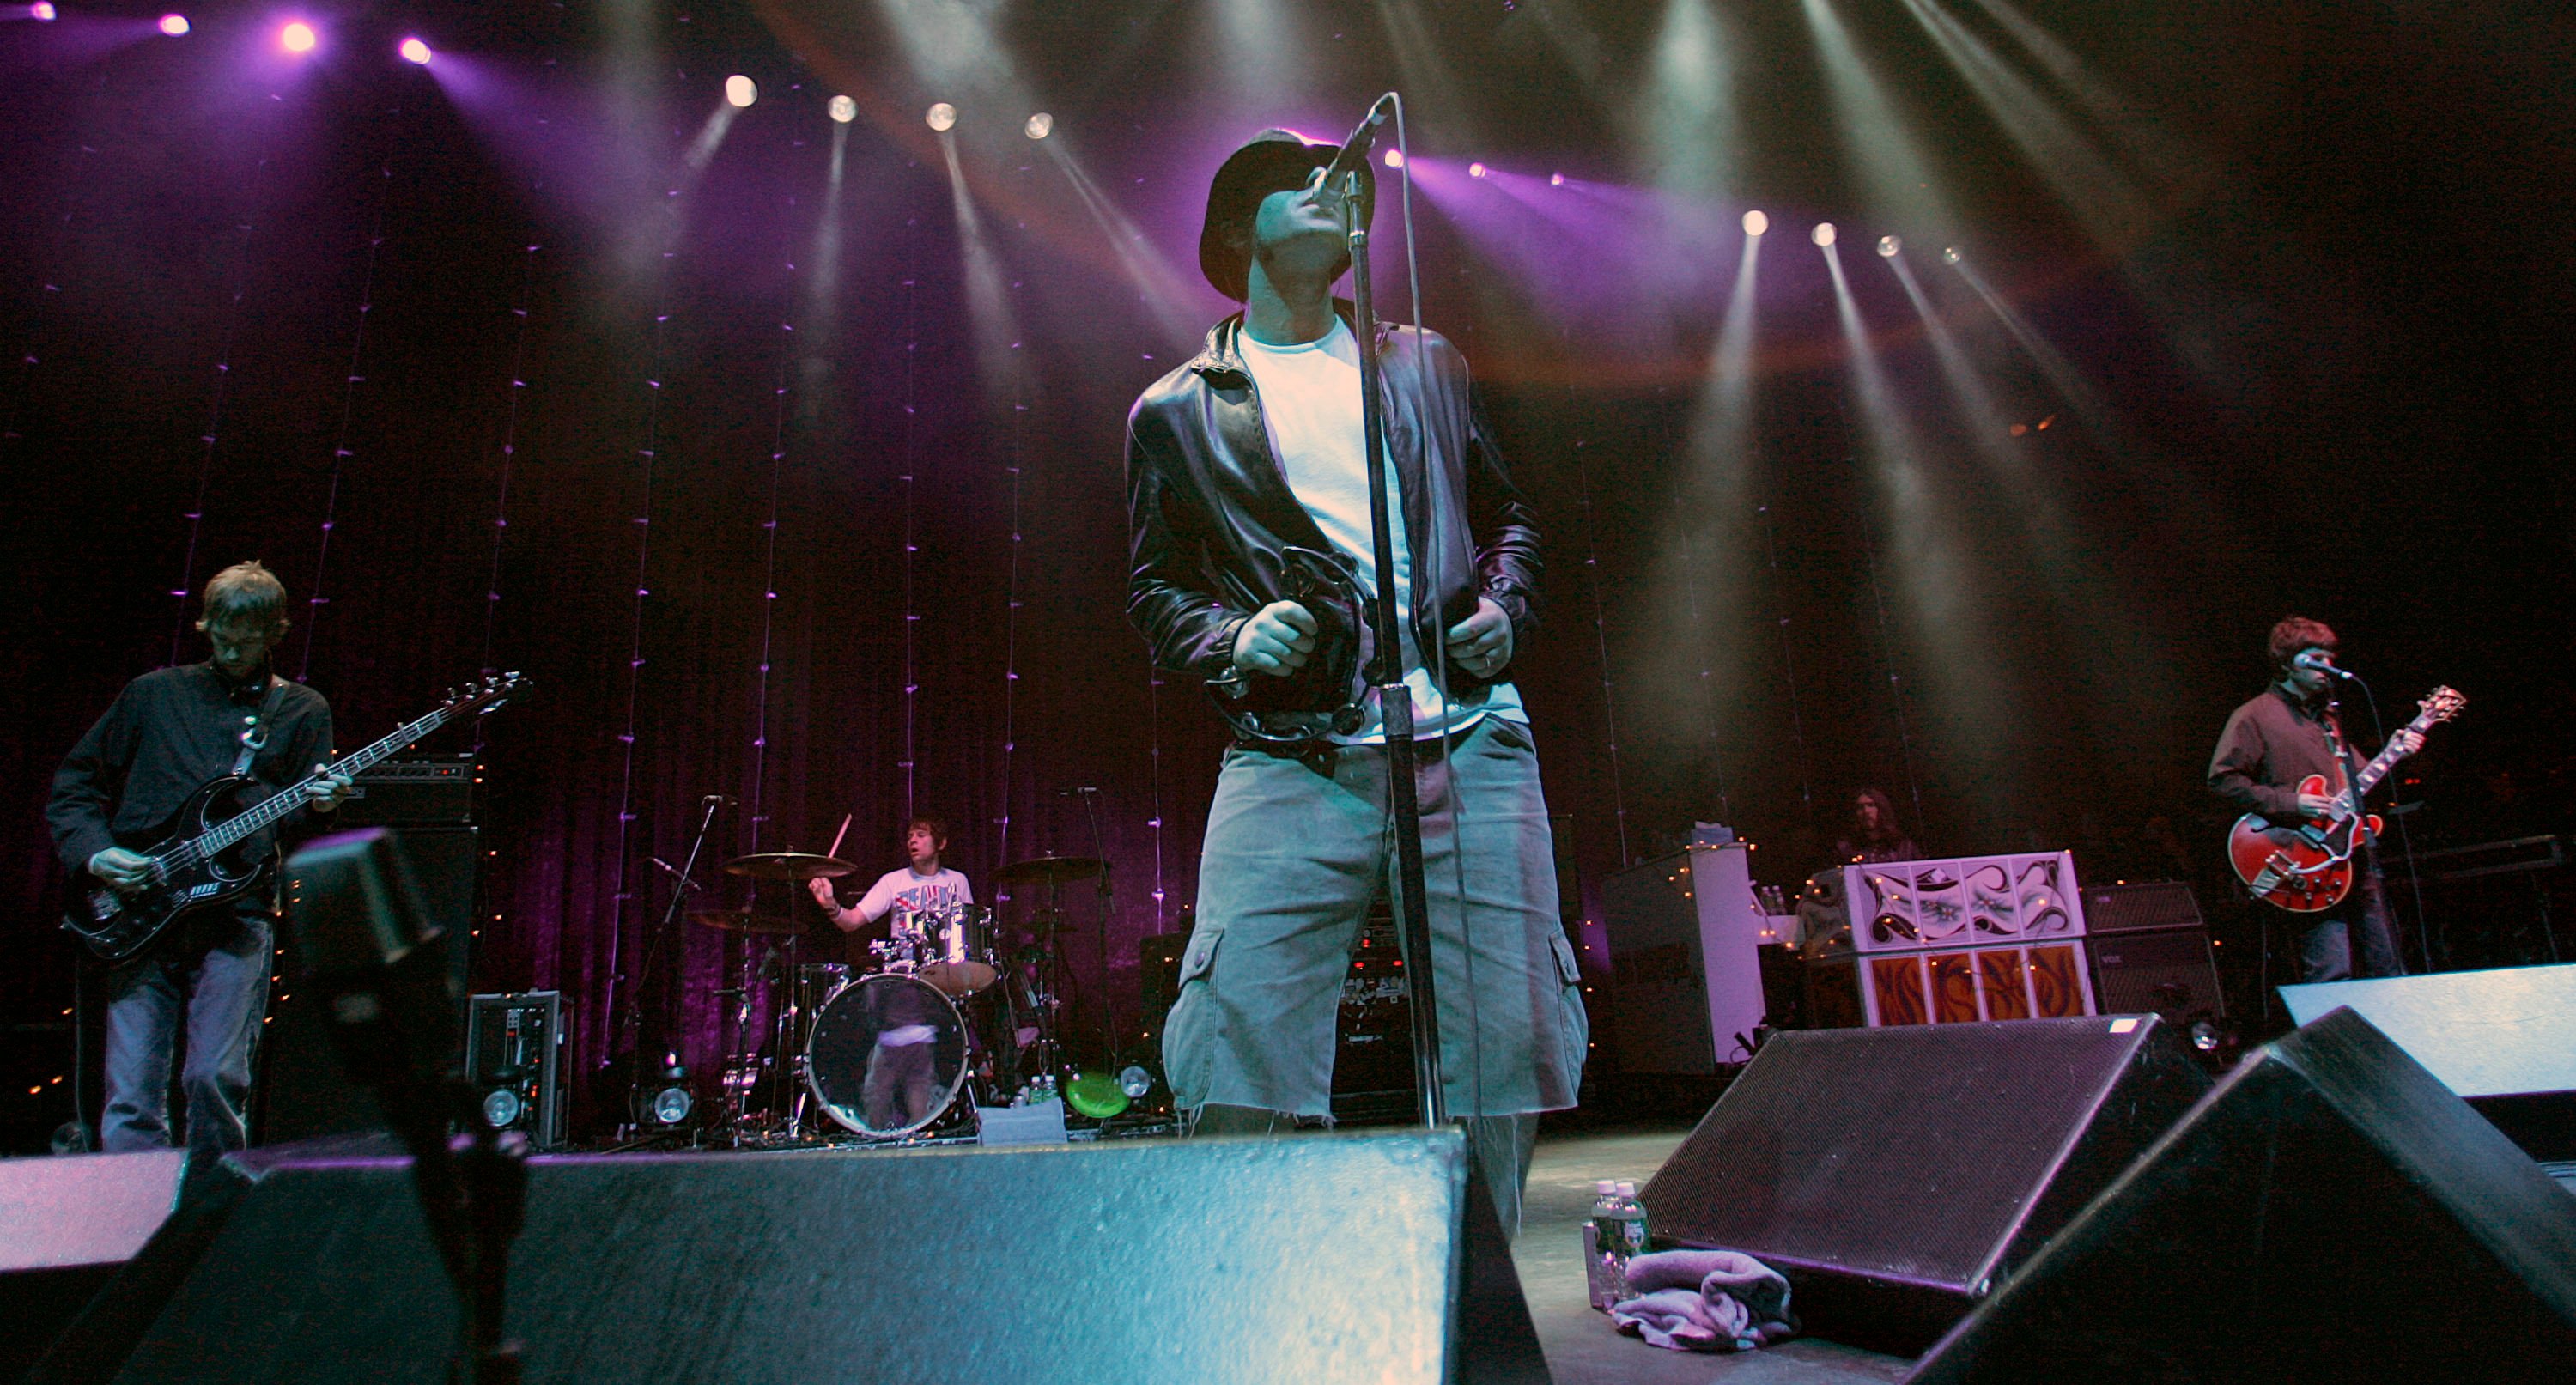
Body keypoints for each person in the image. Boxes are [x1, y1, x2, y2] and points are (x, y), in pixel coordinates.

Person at [1123, 127, 1586, 1236]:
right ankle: (1254, 1299)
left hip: (1467, 737)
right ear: (1239, 234)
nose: (1334, 192)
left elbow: (1511, 517)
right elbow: (1156, 588)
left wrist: (1498, 610)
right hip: (1293, 752)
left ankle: (1470, 1304)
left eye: (1344, 183)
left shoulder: (1428, 361)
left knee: (1504, 1031)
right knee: (1242, 1037)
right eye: (1300, 185)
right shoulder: (1179, 409)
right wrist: (1232, 641)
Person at [47, 561, 354, 1157]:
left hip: (235, 914)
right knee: (131, 1094)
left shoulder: (301, 709)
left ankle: (214, 1218)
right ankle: (132, 1229)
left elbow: (297, 822)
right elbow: (75, 785)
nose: (234, 650)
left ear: (276, 633)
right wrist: (96, 853)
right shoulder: (152, 694)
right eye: (222, 636)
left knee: (213, 1078)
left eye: (248, 639)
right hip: (138, 911)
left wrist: (321, 806)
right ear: (206, 624)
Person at [2208, 616, 2421, 982]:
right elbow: (2223, 780)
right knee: (2331, 967)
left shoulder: (2328, 719)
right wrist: (2293, 803)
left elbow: (2358, 782)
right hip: (2299, 859)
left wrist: (2397, 753)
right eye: (2315, 659)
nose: (2327, 669)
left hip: (2351, 858)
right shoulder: (2255, 715)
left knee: (2388, 963)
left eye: (2330, 659)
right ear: (2289, 662)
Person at [809, 817, 975, 1128]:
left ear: (941, 843)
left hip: (942, 983)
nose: (912, 841)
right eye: (910, 836)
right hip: (902, 985)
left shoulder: (957, 881)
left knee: (924, 1077)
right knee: (882, 1085)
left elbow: (965, 935)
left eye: (922, 835)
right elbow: (852, 921)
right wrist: (831, 905)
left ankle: (930, 1121)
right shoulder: (893, 881)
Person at [1832, 787, 1920, 866]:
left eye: (1871, 805)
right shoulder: (1846, 848)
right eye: (1860, 807)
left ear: (1881, 808)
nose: (1866, 811)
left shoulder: (1903, 847)